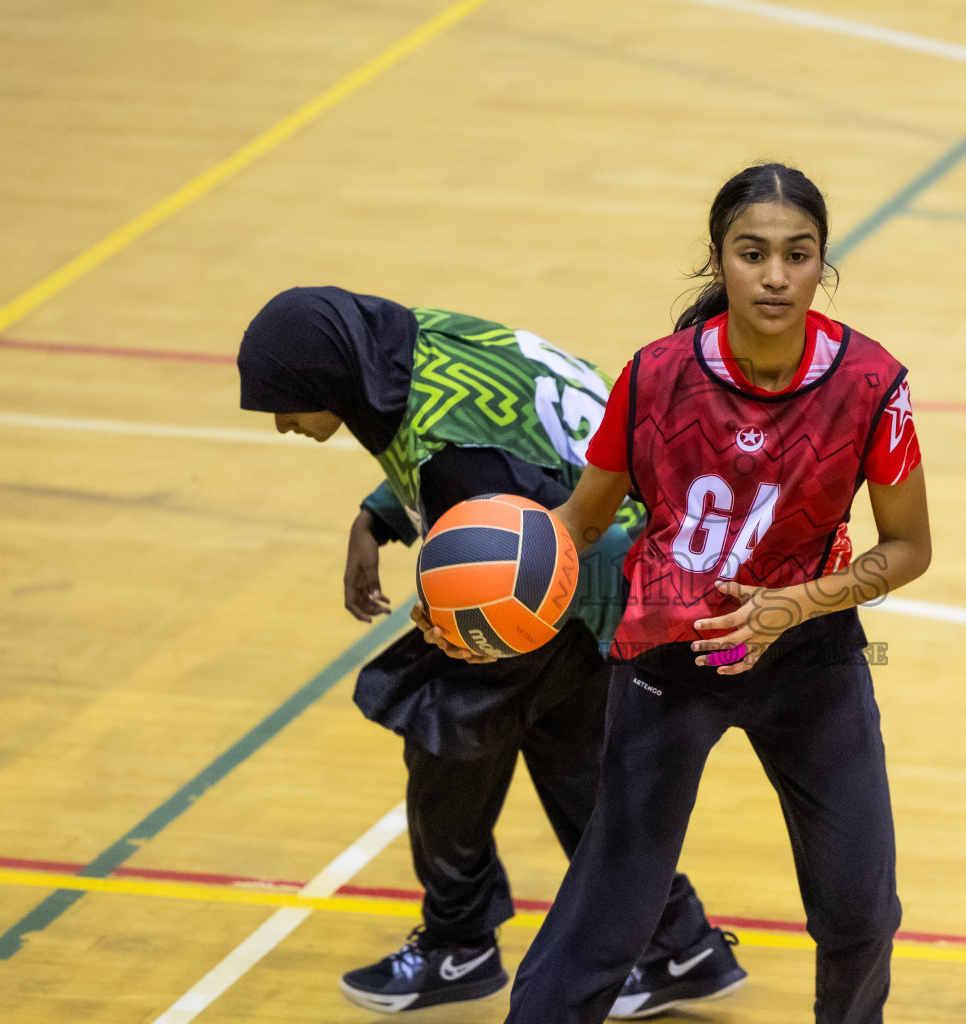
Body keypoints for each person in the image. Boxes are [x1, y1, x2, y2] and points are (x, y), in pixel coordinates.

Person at [236, 290, 745, 1017]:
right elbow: (491, 439)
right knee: (570, 760)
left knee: (441, 727)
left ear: (333, 381)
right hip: (632, 554)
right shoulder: (426, 346)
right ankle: (676, 942)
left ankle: (458, 943)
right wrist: (378, 517)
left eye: (287, 404)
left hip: (583, 580)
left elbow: (509, 505)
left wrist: (468, 631)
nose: (283, 423)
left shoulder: (452, 456)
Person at [501, 163, 931, 1024]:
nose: (775, 276)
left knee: (860, 912)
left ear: (821, 265)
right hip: (671, 657)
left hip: (810, 660)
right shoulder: (653, 376)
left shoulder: (872, 384)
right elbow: (579, 524)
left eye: (797, 255)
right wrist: (478, 602)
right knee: (604, 924)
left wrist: (798, 606)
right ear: (719, 260)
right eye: (753, 253)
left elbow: (910, 548)